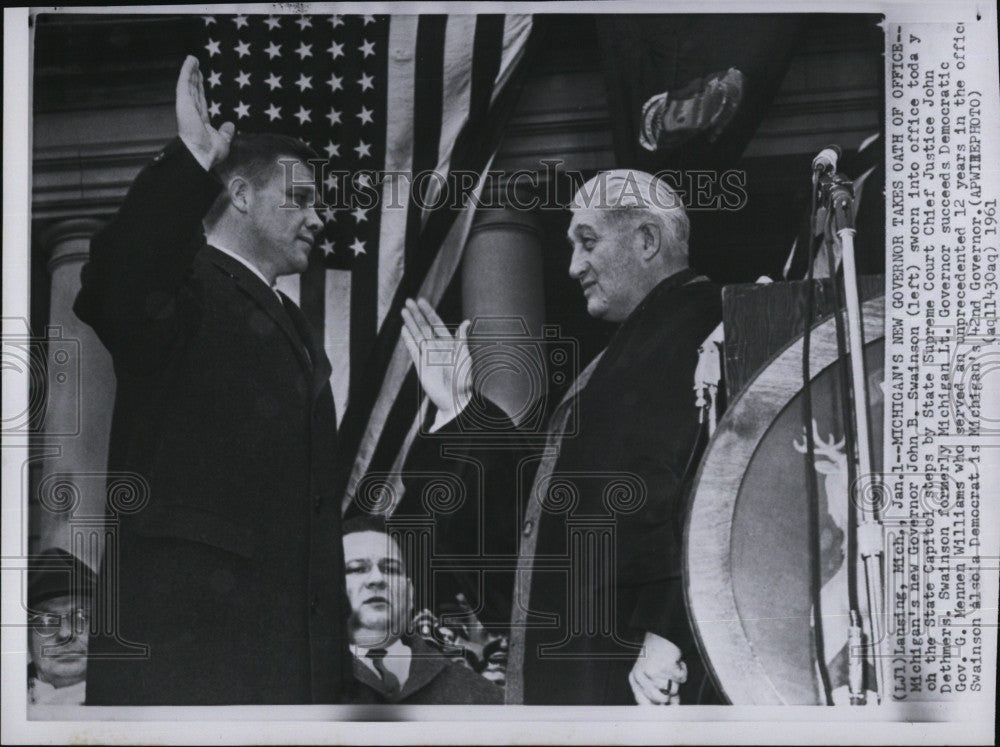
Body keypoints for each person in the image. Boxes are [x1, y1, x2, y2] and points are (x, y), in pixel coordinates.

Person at [74, 56, 348, 704]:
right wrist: (192, 162)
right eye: (301, 198)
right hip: (187, 655)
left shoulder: (288, 319)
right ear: (242, 194)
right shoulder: (182, 283)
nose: (319, 217)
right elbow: (114, 287)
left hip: (288, 667)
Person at [400, 170, 723, 705]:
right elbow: (538, 524)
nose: (573, 267)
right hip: (588, 673)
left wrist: (669, 631)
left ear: (647, 239)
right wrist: (461, 410)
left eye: (588, 242)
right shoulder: (632, 347)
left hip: (645, 680)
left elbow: (713, 488)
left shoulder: (711, 327)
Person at [342, 516, 503, 705]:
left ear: (410, 593)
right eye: (357, 569)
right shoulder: (308, 688)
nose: (377, 579)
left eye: (391, 569)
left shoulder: (483, 696)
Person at [27, 549, 96, 709]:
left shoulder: (136, 700)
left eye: (81, 617)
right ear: (26, 638)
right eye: (46, 621)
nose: (65, 634)